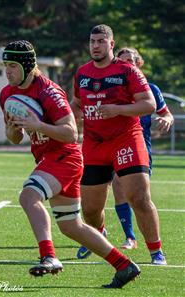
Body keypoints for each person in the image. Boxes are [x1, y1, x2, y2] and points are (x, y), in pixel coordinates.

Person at [0, 40, 139, 288]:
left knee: (28, 196)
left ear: (27, 65)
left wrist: (39, 126)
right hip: (49, 159)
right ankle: (124, 266)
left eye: (12, 65)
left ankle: (49, 257)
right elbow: (15, 137)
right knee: (71, 226)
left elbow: (71, 133)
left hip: (65, 157)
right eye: (5, 65)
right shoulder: (7, 94)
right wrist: (12, 129)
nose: (7, 71)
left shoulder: (49, 92)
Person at [71, 24, 166, 265]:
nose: (95, 46)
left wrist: (117, 110)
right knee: (90, 208)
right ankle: (99, 235)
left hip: (126, 140)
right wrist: (72, 122)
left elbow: (149, 105)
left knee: (138, 197)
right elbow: (76, 104)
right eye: (92, 41)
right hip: (94, 144)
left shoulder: (128, 71)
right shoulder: (82, 73)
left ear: (111, 44)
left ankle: (156, 252)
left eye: (101, 41)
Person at [111, 48, 174, 250]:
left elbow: (168, 114)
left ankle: (154, 245)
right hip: (114, 147)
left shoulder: (151, 90)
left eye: (131, 60)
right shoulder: (111, 89)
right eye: (123, 61)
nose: (127, 64)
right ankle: (129, 237)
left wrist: (166, 120)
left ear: (139, 64)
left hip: (141, 150)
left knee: (139, 198)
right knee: (117, 187)